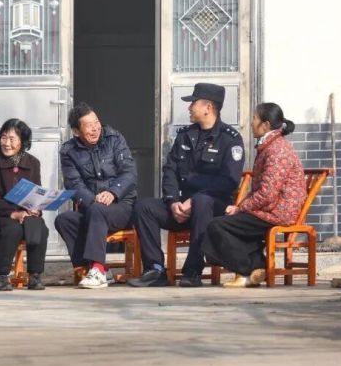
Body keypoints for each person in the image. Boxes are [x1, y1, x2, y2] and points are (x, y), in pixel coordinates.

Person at [128, 83, 245, 288]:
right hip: (182, 209)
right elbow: (170, 171)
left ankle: (192, 271)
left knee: (202, 201)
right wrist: (173, 201)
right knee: (143, 207)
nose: (189, 107)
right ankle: (155, 269)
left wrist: (193, 200)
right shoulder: (185, 136)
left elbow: (229, 181)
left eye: (193, 103)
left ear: (208, 107)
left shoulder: (230, 139)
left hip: (213, 210)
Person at [202, 103, 306, 288]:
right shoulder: (270, 145)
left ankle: (245, 271)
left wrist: (240, 208)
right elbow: (261, 190)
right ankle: (257, 269)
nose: (251, 123)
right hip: (270, 209)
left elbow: (267, 194)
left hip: (278, 212)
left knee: (217, 225)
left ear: (266, 125)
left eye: (254, 118)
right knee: (228, 224)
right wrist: (240, 207)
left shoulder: (277, 150)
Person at [55, 103, 137, 289]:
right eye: (89, 125)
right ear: (76, 131)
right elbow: (73, 184)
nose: (95, 128)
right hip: (93, 207)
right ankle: (94, 269)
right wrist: (93, 200)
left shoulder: (114, 139)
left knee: (97, 210)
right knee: (64, 220)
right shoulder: (69, 151)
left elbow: (129, 173)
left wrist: (113, 192)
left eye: (96, 122)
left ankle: (97, 270)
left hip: (122, 207)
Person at [0, 119, 49, 291]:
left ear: (23, 142)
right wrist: (13, 213)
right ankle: (1, 276)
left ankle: (35, 276)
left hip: (23, 215)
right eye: (3, 138)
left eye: (12, 139)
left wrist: (35, 209)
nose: (6, 143)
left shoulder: (33, 163)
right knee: (13, 228)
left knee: (39, 225)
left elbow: (36, 193)